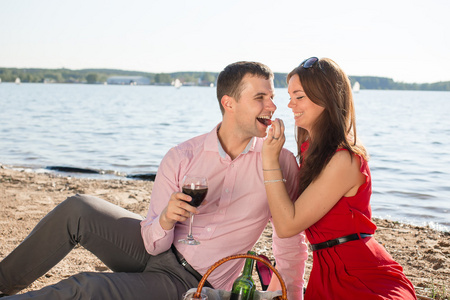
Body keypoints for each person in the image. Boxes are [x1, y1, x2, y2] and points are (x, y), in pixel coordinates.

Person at [0, 61, 308, 300]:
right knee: (77, 209)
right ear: (229, 103)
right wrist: (165, 218)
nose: (272, 106)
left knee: (87, 288)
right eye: (260, 97)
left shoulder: (279, 163)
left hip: (193, 281)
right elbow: (152, 240)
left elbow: (289, 238)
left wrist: (292, 296)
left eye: (271, 96)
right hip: (157, 248)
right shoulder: (183, 155)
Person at [262, 57, 417, 299]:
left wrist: (269, 161)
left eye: (299, 96)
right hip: (326, 273)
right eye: (290, 96)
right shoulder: (310, 151)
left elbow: (287, 226)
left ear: (326, 97)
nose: (290, 105)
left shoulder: (343, 159)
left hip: (363, 277)